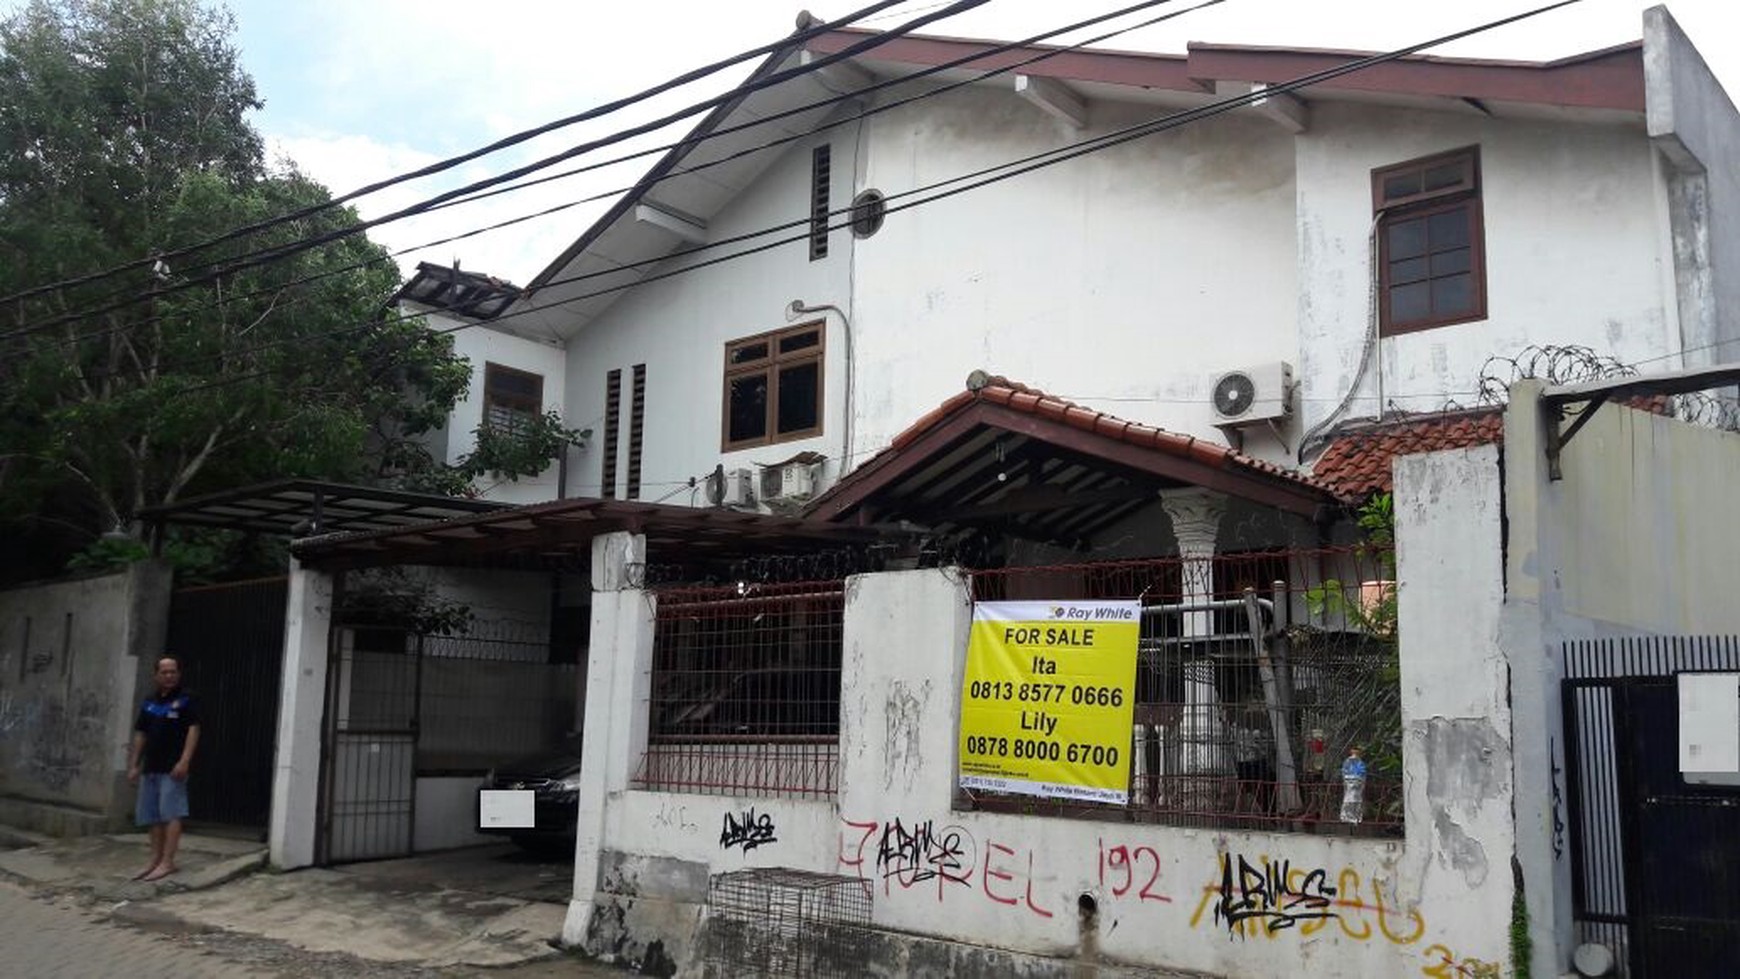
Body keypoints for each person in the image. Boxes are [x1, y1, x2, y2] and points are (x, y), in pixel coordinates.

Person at [127, 655, 200, 882]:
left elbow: (194, 729)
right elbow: (141, 733)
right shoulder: (150, 702)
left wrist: (185, 760)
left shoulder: (187, 699)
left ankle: (168, 862)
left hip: (173, 768)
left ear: (178, 674)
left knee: (171, 814)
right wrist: (134, 764)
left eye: (173, 672)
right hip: (151, 766)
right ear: (156, 675)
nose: (169, 676)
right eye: (164, 672)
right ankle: (155, 860)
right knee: (153, 816)